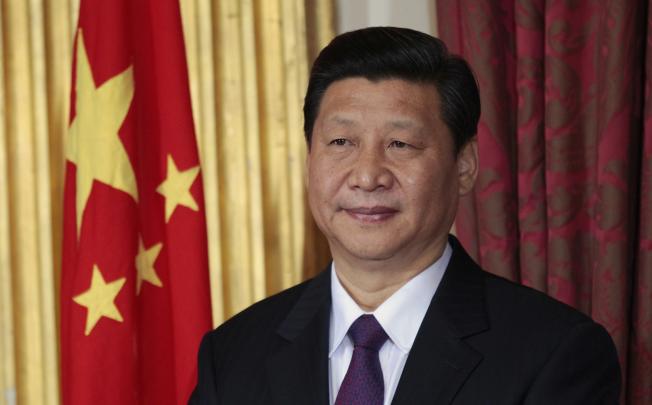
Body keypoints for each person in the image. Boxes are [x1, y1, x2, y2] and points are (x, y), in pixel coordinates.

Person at [189, 27, 620, 404]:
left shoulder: (554, 352)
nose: (367, 175)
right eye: (341, 142)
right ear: (308, 160)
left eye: (401, 145)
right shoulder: (232, 354)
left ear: (464, 165)